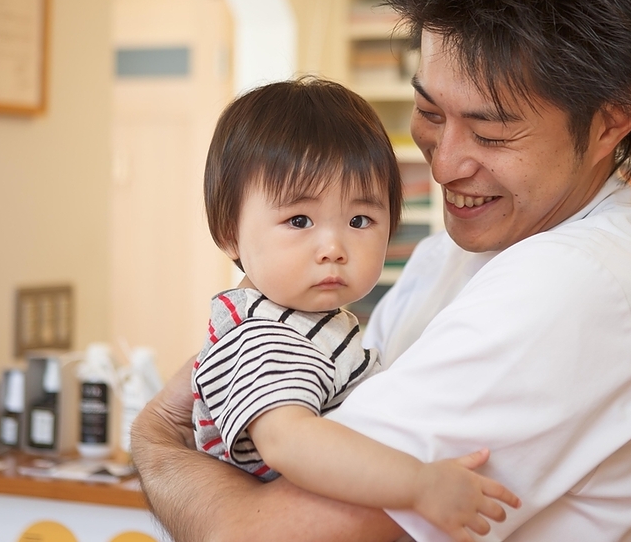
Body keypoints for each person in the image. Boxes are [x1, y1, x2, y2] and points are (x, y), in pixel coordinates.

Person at [131, 0, 631, 541]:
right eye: (428, 111)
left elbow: (258, 532)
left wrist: (156, 441)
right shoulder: (462, 247)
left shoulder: (574, 285)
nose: (444, 164)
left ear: (611, 120)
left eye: (489, 130)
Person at [190, 78, 520, 541]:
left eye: (360, 220)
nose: (333, 247)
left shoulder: (309, 321)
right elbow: (288, 440)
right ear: (229, 231)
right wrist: (418, 485)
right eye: (299, 220)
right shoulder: (263, 337)